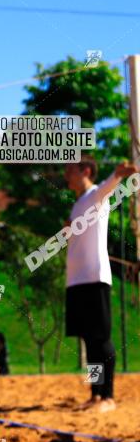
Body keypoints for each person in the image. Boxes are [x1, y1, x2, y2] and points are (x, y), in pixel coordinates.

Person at [63, 157, 137, 413]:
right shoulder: (78, 204)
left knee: (101, 339)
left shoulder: (96, 195)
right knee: (89, 341)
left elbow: (108, 187)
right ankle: (95, 394)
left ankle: (108, 397)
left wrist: (118, 175)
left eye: (70, 169)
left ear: (85, 171)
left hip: (95, 278)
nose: (66, 174)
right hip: (76, 281)